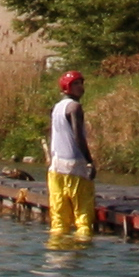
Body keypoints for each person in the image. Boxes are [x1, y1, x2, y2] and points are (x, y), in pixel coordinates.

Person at [46, 69, 96, 244]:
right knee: (83, 213)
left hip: (56, 166)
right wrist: (89, 162)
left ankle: (56, 249)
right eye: (76, 84)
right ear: (67, 87)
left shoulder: (56, 108)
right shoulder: (75, 107)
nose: (81, 87)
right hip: (74, 165)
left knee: (59, 216)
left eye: (81, 83)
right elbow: (78, 137)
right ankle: (81, 249)